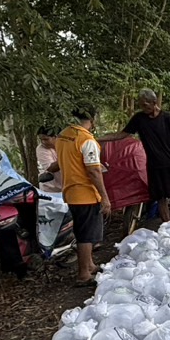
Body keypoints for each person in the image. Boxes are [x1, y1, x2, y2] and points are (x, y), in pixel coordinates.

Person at [105, 90, 170, 224]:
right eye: (141, 105)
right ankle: (167, 226)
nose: (143, 108)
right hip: (153, 165)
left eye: (145, 105)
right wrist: (99, 139)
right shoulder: (139, 119)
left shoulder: (167, 118)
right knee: (160, 196)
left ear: (154, 103)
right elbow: (122, 134)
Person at [58, 106, 112, 284]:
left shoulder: (63, 135)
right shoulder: (86, 140)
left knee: (82, 230)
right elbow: (94, 171)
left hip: (69, 191)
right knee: (86, 235)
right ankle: (83, 275)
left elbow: (66, 161)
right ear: (93, 120)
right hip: (85, 193)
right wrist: (104, 197)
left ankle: (90, 265)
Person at [35, 127, 63, 192]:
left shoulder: (65, 145)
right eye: (41, 139)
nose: (43, 142)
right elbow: (51, 168)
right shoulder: (41, 149)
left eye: (46, 139)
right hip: (51, 190)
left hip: (69, 187)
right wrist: (65, 157)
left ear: (55, 137)